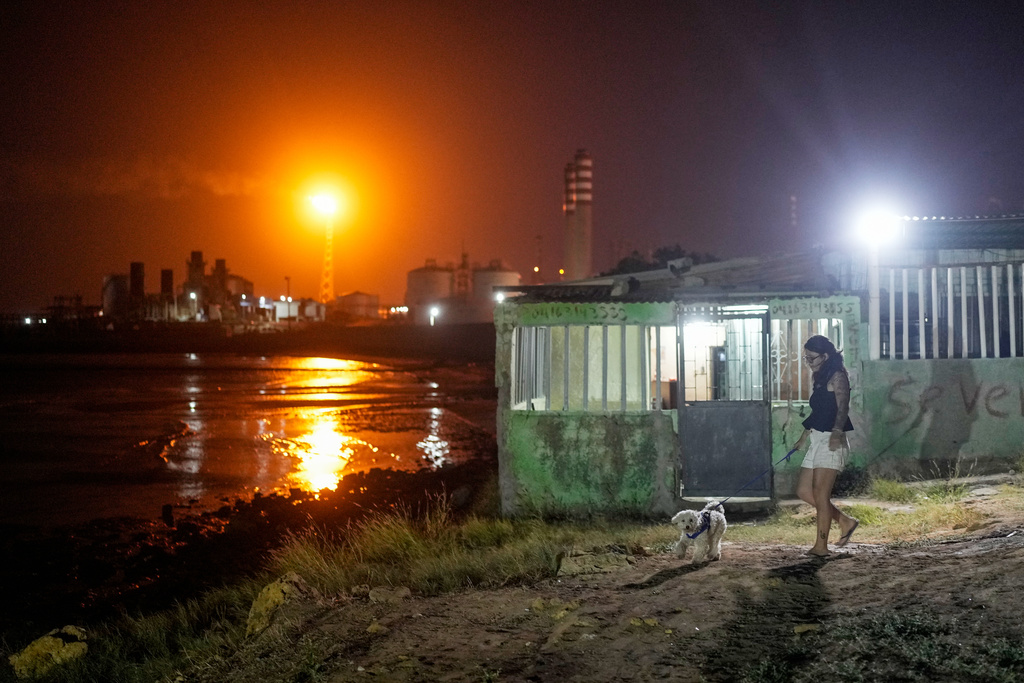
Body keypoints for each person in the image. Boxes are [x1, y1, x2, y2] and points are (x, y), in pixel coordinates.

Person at [792, 335, 859, 557]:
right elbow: (818, 411)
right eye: (806, 358)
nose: (809, 362)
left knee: (821, 496)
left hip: (832, 440)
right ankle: (845, 521)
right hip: (816, 438)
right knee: (803, 491)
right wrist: (803, 436)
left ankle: (821, 547)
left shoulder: (838, 377)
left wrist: (837, 432)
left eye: (812, 358)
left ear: (825, 355)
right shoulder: (820, 377)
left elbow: (843, 408)